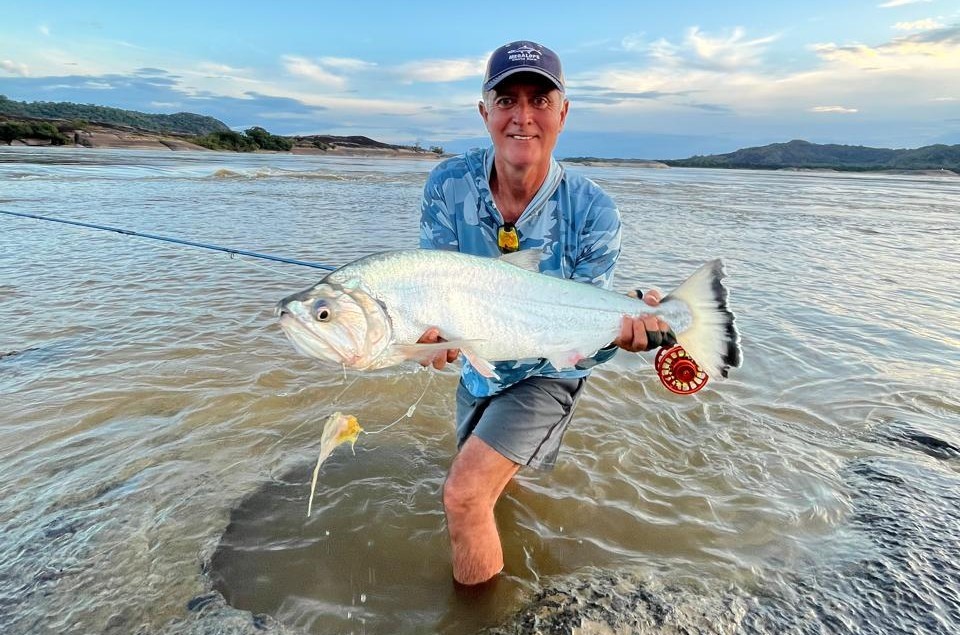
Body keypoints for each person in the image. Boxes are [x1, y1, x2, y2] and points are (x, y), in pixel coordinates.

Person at [418, 40, 672, 586]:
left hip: (548, 373)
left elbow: (585, 329)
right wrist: (428, 340)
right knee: (492, 488)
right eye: (506, 100)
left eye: (540, 100)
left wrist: (622, 333)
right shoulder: (447, 185)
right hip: (478, 369)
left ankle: (484, 618)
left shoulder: (595, 209)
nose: (523, 116)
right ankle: (517, 561)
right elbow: (433, 284)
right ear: (484, 112)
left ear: (563, 112)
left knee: (463, 494)